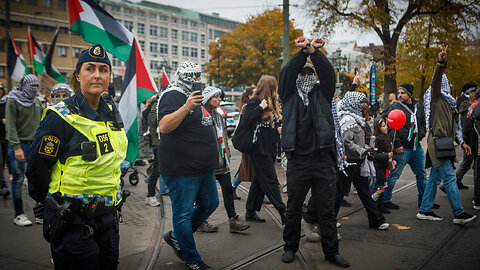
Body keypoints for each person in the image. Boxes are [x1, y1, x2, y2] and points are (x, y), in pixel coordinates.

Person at [25, 44, 128, 269]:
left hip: (108, 220)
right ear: (77, 76)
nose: (97, 75)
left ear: (109, 76)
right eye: (90, 69)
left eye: (103, 69)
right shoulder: (59, 116)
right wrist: (49, 203)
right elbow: (37, 167)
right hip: (73, 222)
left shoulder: (112, 113)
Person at [278, 36, 348, 268]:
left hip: (321, 159)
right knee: (294, 208)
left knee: (327, 210)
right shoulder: (287, 95)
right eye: (303, 73)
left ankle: (331, 252)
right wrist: (301, 54)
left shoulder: (322, 93)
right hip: (298, 160)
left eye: (310, 73)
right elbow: (287, 73)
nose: (306, 77)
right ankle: (290, 247)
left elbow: (328, 73)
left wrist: (315, 52)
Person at [157, 61, 219, 270]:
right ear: (181, 75)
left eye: (198, 75)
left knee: (211, 203)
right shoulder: (172, 94)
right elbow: (164, 126)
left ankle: (176, 237)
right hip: (181, 168)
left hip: (203, 167)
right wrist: (187, 106)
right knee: (182, 214)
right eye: (191, 75)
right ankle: (192, 259)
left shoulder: (197, 96)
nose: (195, 79)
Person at [417, 44, 476, 224]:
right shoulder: (436, 98)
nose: (450, 85)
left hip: (444, 143)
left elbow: (455, 127)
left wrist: (462, 141)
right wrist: (440, 63)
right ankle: (458, 213)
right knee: (450, 177)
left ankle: (425, 210)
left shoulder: (449, 104)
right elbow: (435, 81)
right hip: (438, 143)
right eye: (447, 83)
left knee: (435, 176)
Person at [198, 86, 250, 233]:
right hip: (207, 163)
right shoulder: (201, 115)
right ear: (208, 98)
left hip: (222, 162)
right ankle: (201, 221)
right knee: (203, 194)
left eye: (220, 96)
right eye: (216, 97)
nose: (220, 99)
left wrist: (226, 155)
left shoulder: (219, 115)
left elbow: (224, 137)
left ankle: (233, 220)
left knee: (227, 189)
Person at [337, 91, 389, 230]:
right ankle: (327, 221)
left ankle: (377, 221)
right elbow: (346, 142)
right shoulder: (347, 120)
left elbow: (368, 133)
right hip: (349, 162)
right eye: (361, 103)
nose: (364, 105)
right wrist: (362, 150)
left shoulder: (358, 118)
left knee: (364, 193)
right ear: (353, 103)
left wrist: (367, 115)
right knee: (339, 193)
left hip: (359, 161)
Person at [242, 75, 286, 224]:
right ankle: (283, 212)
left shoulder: (273, 103)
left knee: (259, 181)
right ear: (271, 87)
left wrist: (279, 129)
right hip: (258, 149)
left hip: (269, 148)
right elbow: (247, 121)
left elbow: (270, 126)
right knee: (271, 181)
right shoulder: (255, 101)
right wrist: (260, 107)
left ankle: (250, 211)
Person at [382, 83, 432, 210]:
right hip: (402, 148)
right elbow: (391, 128)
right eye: (399, 92)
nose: (400, 95)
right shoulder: (395, 107)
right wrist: (397, 145)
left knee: (421, 175)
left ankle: (424, 201)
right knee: (393, 175)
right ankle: (385, 199)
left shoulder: (418, 108)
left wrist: (419, 136)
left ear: (409, 94)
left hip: (416, 147)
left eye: (403, 93)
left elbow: (423, 124)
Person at [6, 74, 43, 226]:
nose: (34, 89)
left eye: (36, 86)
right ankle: (19, 214)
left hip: (35, 146)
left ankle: (40, 213)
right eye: (31, 86)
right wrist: (16, 147)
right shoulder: (13, 100)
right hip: (19, 146)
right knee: (18, 180)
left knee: (38, 180)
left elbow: (42, 123)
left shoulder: (37, 102)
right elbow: (11, 126)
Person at [439, 83, 477, 192]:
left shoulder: (463, 101)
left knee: (467, 163)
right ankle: (449, 184)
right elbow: (464, 125)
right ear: (470, 92)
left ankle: (454, 182)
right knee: (467, 163)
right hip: (467, 139)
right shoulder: (464, 103)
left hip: (465, 138)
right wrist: (463, 141)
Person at [231, 85, 256, 200]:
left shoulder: (251, 106)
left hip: (250, 142)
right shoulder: (247, 107)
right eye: (256, 94)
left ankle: (232, 187)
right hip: (247, 142)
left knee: (245, 167)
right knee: (248, 168)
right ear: (250, 96)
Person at [372, 118, 394, 213]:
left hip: (383, 165)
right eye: (383, 126)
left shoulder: (385, 137)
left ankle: (378, 203)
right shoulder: (376, 139)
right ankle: (375, 202)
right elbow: (374, 155)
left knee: (381, 185)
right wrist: (386, 155)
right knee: (382, 186)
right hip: (377, 166)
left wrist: (390, 160)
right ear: (378, 127)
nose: (386, 127)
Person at [0, 82, 10, 198]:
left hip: (5, 136)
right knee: (0, 161)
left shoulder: (6, 102)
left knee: (4, 161)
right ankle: (3, 186)